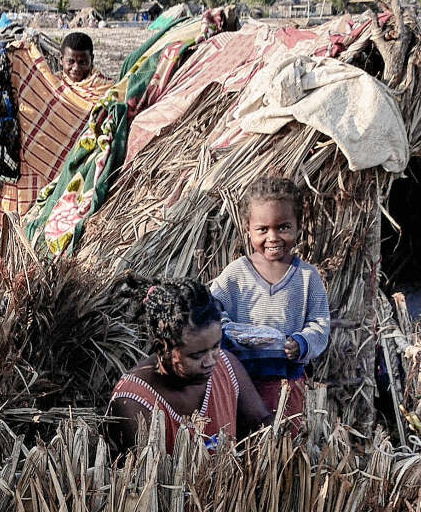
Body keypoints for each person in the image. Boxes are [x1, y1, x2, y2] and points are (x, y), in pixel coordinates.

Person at [208, 174, 331, 422]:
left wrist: (301, 343)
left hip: (287, 382)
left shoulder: (307, 277)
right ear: (248, 229)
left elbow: (320, 323)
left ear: (298, 225)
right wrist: (229, 334)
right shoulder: (236, 274)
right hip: (240, 380)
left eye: (283, 227)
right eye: (262, 229)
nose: (273, 237)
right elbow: (210, 309)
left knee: (283, 440)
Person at [109, 278, 269, 452]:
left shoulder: (226, 367)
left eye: (216, 346)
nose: (211, 361)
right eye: (196, 355)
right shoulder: (135, 403)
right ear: (161, 348)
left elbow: (262, 424)